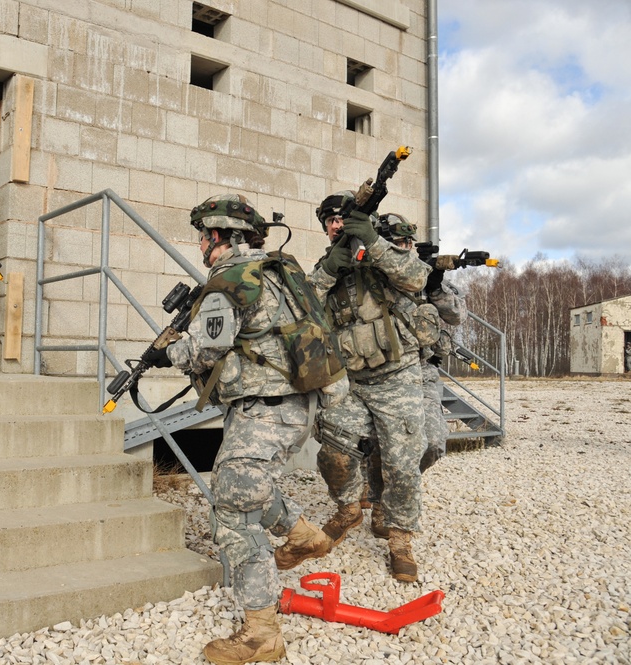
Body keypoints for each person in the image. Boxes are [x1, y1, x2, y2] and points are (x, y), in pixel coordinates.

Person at [143, 194, 348, 664]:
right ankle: (303, 536)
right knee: (248, 486)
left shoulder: (231, 281)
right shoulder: (281, 270)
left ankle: (261, 633)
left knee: (233, 510)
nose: (200, 244)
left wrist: (166, 351)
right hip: (296, 407)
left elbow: (203, 352)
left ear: (218, 236)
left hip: (264, 412)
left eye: (202, 236)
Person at [299, 192, 431, 583]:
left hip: (397, 376)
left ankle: (400, 539)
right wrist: (327, 272)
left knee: (402, 465)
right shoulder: (327, 267)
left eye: (342, 219)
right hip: (351, 381)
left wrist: (373, 242)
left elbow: (417, 276)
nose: (336, 225)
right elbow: (302, 309)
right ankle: (350, 509)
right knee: (333, 457)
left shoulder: (383, 255)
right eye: (330, 221)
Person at [361, 214, 467, 539]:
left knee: (433, 444)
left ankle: (392, 492)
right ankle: (385, 506)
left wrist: (434, 286)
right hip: (382, 373)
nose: (401, 248)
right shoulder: (369, 278)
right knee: (382, 445)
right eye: (394, 242)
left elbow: (457, 316)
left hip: (422, 373)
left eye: (406, 242)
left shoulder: (424, 276)